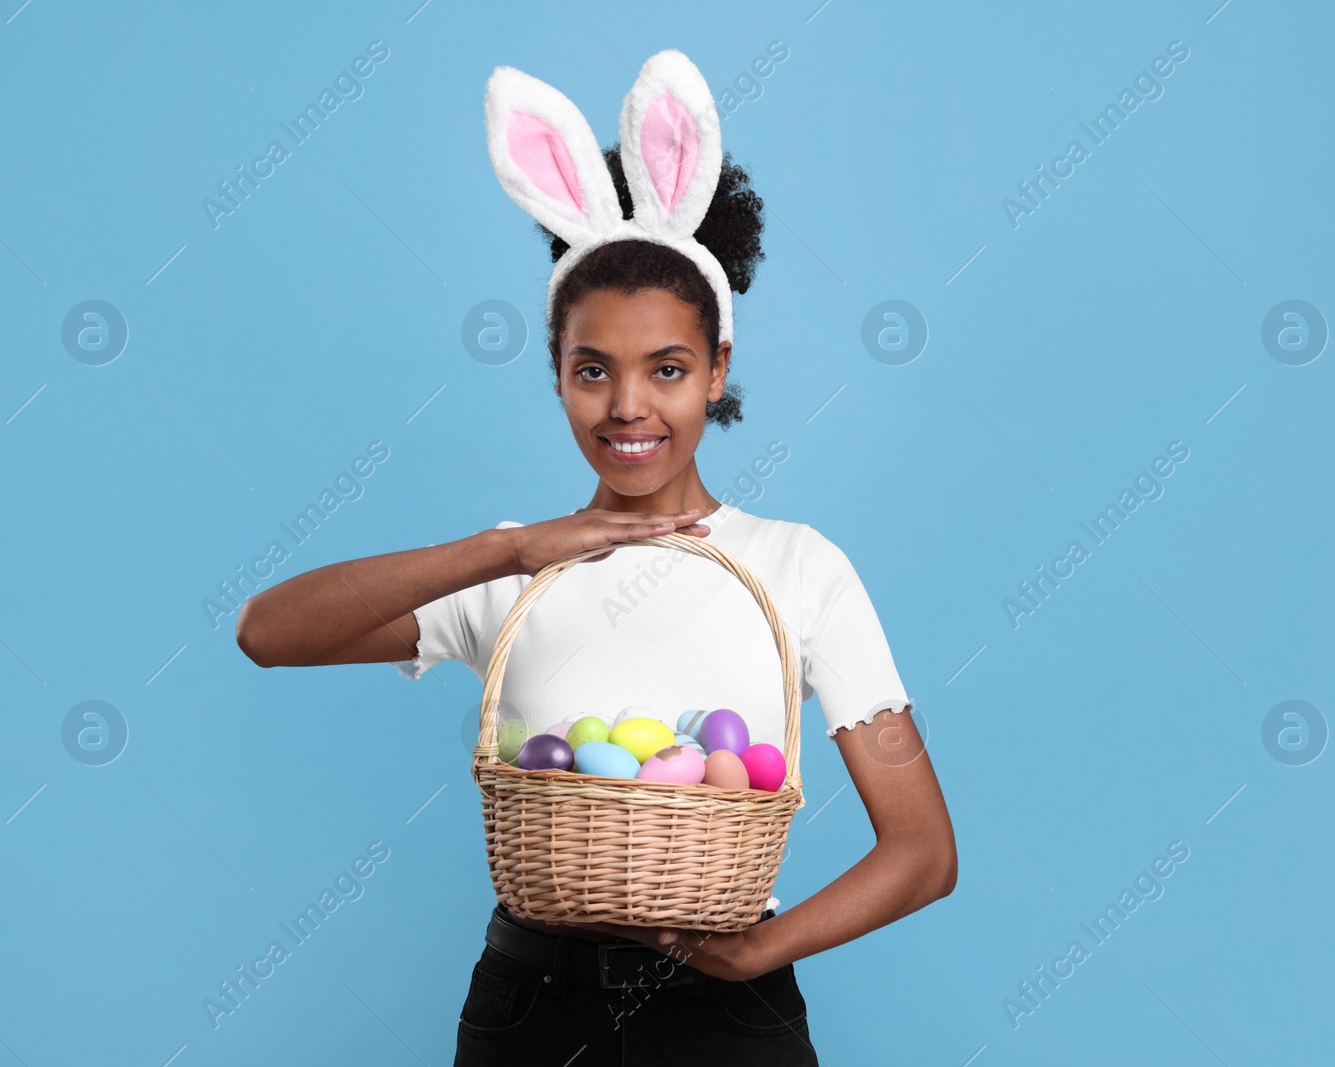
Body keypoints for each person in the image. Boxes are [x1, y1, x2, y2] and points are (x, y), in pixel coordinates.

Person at [234, 49, 956, 1067]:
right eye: (591, 370)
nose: (626, 405)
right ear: (558, 376)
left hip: (724, 1024)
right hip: (531, 1007)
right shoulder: (511, 572)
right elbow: (268, 631)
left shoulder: (797, 568)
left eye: (666, 368)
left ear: (716, 371)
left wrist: (759, 952)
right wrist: (513, 546)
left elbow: (922, 850)